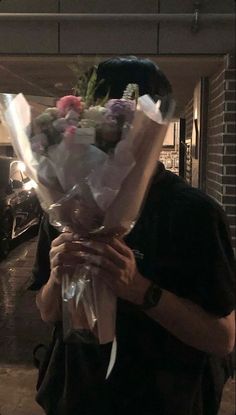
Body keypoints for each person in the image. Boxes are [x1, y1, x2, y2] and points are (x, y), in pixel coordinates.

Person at [30, 56, 235, 415]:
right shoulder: (66, 205)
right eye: (88, 118)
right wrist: (57, 278)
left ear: (152, 126)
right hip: (73, 395)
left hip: (161, 399)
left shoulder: (193, 213)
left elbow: (222, 338)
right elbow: (47, 313)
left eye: (118, 121)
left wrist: (140, 289)